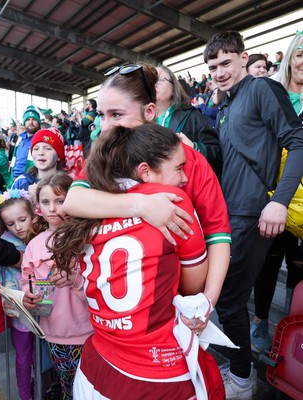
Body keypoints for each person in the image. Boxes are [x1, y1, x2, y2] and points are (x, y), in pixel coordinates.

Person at [52, 123, 224, 400]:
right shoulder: (173, 200)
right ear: (145, 171)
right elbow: (192, 285)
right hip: (155, 370)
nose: (184, 178)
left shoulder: (91, 202)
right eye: (179, 168)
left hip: (96, 363)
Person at [63, 63, 231, 312]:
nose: (105, 126)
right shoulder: (103, 157)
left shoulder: (187, 158)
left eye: (116, 115)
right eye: (101, 115)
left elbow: (218, 233)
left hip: (174, 304)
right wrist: (142, 205)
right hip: (116, 305)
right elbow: (73, 200)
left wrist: (207, 300)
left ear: (150, 111)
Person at [203, 30, 303, 399]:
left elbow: (298, 141)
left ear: (244, 58)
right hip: (230, 212)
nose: (219, 71)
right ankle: (238, 369)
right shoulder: (227, 106)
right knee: (227, 297)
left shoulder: (263, 89)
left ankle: (243, 378)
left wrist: (279, 200)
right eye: (213, 66)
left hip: (254, 211)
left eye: (226, 62)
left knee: (229, 298)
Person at [251, 31, 303, 353]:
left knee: (298, 267)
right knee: (268, 264)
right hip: (272, 197)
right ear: (290, 57)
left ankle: (291, 329)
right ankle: (259, 322)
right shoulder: (273, 94)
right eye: (300, 55)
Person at [21, 172, 93, 400]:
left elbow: (100, 285)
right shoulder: (34, 245)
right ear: (38, 208)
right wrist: (26, 296)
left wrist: (76, 279)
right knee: (68, 388)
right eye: (45, 202)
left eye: (59, 201)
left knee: (92, 389)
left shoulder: (88, 239)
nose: (52, 208)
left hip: (91, 333)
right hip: (54, 334)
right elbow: (26, 281)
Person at [0, 189, 35, 400]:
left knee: (41, 357)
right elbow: (3, 280)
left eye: (22, 219)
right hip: (19, 315)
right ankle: (26, 395)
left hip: (46, 312)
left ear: (33, 215)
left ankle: (43, 388)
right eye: (10, 224)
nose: (18, 227)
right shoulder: (5, 245)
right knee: (23, 358)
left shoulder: (43, 239)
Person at [155, 65, 222, 175]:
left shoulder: (193, 117)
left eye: (159, 80)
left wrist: (194, 148)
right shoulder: (140, 121)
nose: (153, 84)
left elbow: (216, 152)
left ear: (173, 88)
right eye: (149, 80)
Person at [11, 127, 65, 197]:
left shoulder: (67, 184)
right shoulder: (21, 182)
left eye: (47, 149)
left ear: (58, 156)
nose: (40, 153)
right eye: (36, 149)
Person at [10, 105, 41, 184]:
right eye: (28, 119)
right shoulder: (20, 139)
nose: (30, 122)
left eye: (34, 119)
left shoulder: (42, 139)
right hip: (14, 179)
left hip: (30, 181)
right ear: (24, 122)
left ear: (39, 122)